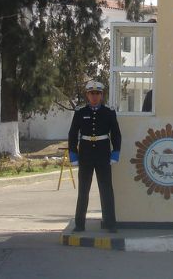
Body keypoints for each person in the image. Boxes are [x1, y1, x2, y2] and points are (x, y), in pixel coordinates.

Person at [68, 80, 122, 233]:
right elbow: (73, 133)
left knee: (106, 190)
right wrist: (73, 154)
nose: (94, 96)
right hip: (85, 154)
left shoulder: (109, 112)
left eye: (97, 93)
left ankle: (111, 224)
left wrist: (115, 152)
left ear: (102, 95)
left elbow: (116, 134)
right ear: (87, 95)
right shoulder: (80, 112)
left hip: (103, 154)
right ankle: (79, 224)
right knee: (83, 191)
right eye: (91, 93)